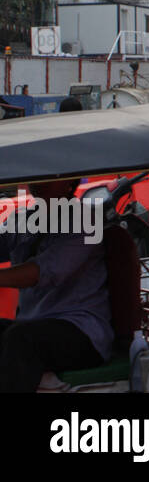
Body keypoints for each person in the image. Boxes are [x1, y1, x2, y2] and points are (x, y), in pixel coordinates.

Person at [0, 98, 111, 392]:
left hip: (80, 332)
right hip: (32, 325)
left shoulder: (85, 221)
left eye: (47, 175)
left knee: (19, 338)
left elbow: (43, 272)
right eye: (36, 174)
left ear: (68, 181)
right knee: (16, 333)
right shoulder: (26, 218)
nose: (36, 181)